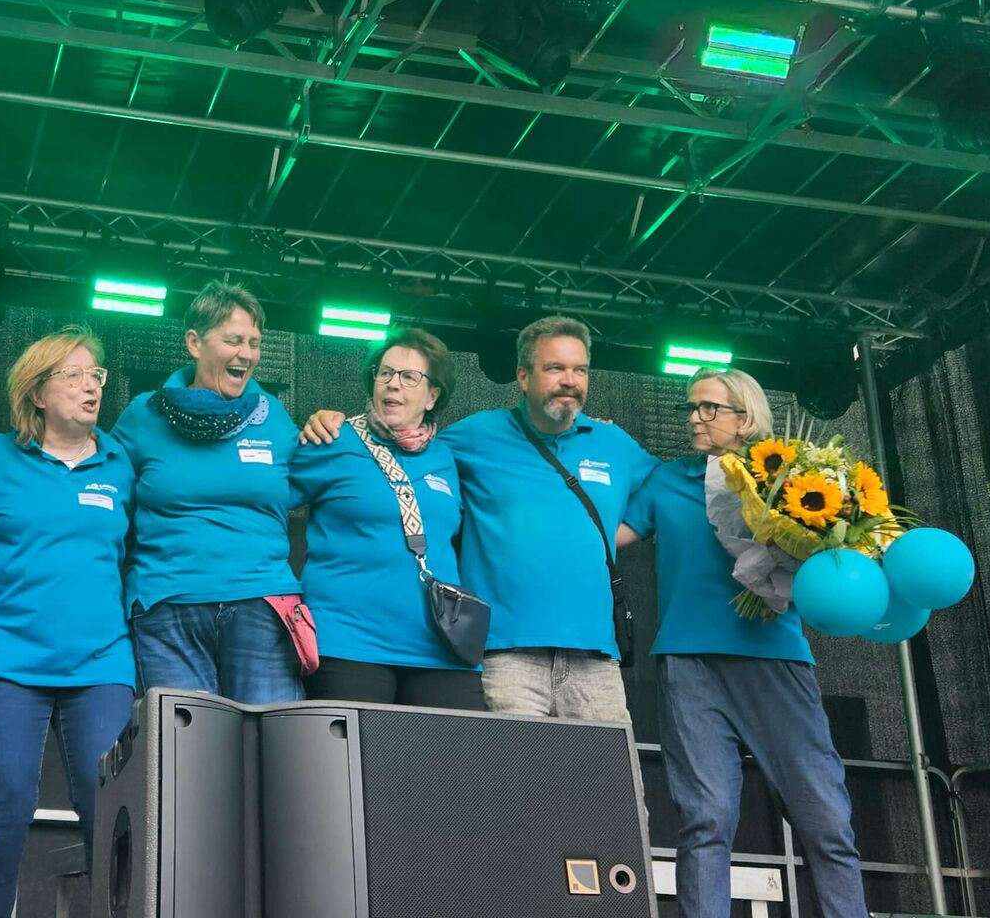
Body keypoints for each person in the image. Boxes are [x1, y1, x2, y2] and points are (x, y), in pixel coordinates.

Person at [304, 315, 657, 722]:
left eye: (579, 370)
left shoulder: (613, 441)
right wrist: (332, 421)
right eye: (555, 368)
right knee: (506, 785)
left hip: (594, 653)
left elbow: (668, 490)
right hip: (505, 653)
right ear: (523, 376)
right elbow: (402, 437)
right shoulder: (472, 437)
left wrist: (610, 536)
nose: (570, 380)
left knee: (608, 784)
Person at [618, 368, 867, 917]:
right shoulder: (668, 479)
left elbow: (833, 557)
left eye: (708, 408)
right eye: (691, 408)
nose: (693, 419)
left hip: (774, 659)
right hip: (688, 663)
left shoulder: (794, 481)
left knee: (824, 817)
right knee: (705, 819)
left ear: (745, 418)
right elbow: (607, 538)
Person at [0, 326, 135, 918]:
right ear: (36, 392)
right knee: (3, 802)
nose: (91, 387)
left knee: (112, 807)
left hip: (100, 662)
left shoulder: (119, 462)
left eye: (96, 375)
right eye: (74, 375)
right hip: (8, 661)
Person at [111, 279, 302, 704]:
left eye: (255, 343)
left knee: (269, 749)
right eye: (234, 340)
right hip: (167, 606)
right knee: (187, 759)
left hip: (260, 602)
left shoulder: (275, 417)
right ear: (195, 342)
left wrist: (330, 420)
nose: (248, 354)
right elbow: (104, 491)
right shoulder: (144, 414)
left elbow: (312, 481)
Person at [291, 327, 483, 709]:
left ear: (433, 396)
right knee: (355, 767)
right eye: (385, 373)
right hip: (351, 644)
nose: (394, 385)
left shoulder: (447, 457)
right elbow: (263, 503)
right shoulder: (332, 439)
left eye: (410, 377)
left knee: (458, 766)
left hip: (442, 648)